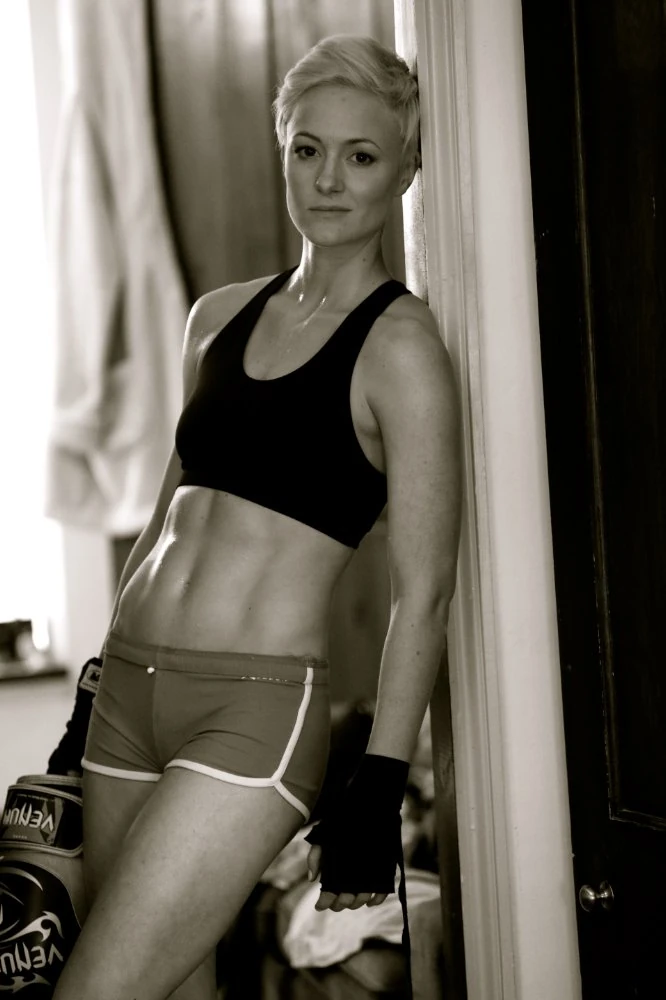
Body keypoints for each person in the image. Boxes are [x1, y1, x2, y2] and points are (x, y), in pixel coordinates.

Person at [50, 33, 462, 1000]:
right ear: (283, 151)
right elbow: (166, 519)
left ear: (406, 169)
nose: (329, 180)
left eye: (361, 156)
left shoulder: (402, 351)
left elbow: (425, 590)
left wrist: (379, 781)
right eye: (307, 149)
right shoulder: (216, 317)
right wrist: (95, 684)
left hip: (252, 712)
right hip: (128, 698)